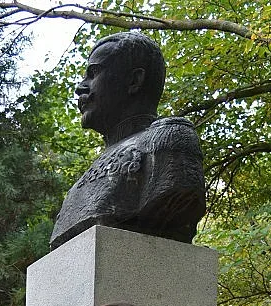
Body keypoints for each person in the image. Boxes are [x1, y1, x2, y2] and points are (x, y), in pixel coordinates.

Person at [50, 31, 205, 250]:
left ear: (134, 81)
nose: (81, 87)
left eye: (93, 73)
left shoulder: (169, 140)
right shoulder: (81, 181)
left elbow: (175, 198)